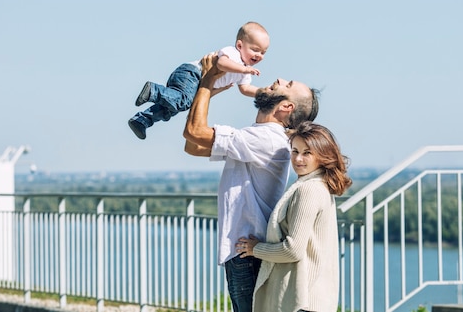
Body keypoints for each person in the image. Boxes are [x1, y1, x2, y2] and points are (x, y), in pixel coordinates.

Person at [182, 54, 320, 312]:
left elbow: (193, 132)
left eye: (287, 84)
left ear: (286, 107)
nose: (278, 79)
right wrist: (208, 89)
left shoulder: (267, 140)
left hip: (247, 255)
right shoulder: (256, 137)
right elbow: (192, 145)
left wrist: (209, 79)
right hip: (244, 253)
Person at [235, 121, 352, 312]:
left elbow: (292, 250)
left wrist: (256, 249)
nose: (298, 159)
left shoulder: (308, 190)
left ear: (322, 156)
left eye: (307, 153)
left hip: (303, 301)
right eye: (295, 151)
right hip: (313, 300)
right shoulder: (319, 185)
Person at [128, 21, 270, 140]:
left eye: (263, 52)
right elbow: (221, 64)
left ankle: (142, 121)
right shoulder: (234, 54)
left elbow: (245, 89)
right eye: (255, 50)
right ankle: (154, 91)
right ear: (240, 45)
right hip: (191, 74)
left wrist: (265, 93)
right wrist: (244, 69)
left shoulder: (243, 69)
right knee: (182, 102)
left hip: (197, 85)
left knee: (171, 108)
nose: (259, 55)